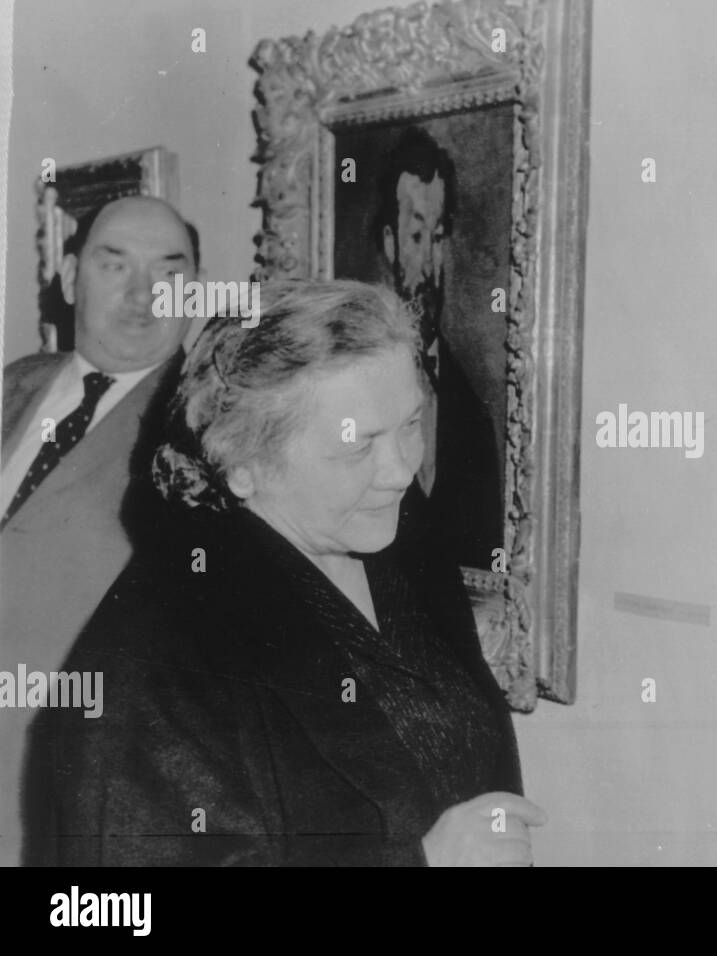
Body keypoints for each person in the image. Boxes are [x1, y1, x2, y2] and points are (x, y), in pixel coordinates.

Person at [22, 279, 544, 866]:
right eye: (358, 445)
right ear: (243, 465)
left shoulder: (391, 532)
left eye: (411, 424)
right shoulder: (146, 668)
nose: (400, 470)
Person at [0, 196, 196, 866]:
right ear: (68, 273)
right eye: (115, 265)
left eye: (169, 272)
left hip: (57, 789)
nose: (144, 293)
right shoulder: (17, 385)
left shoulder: (203, 432)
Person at [376, 126, 502, 570]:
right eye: (416, 237)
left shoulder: (472, 417)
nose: (430, 263)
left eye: (439, 235)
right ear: (390, 243)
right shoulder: (351, 381)